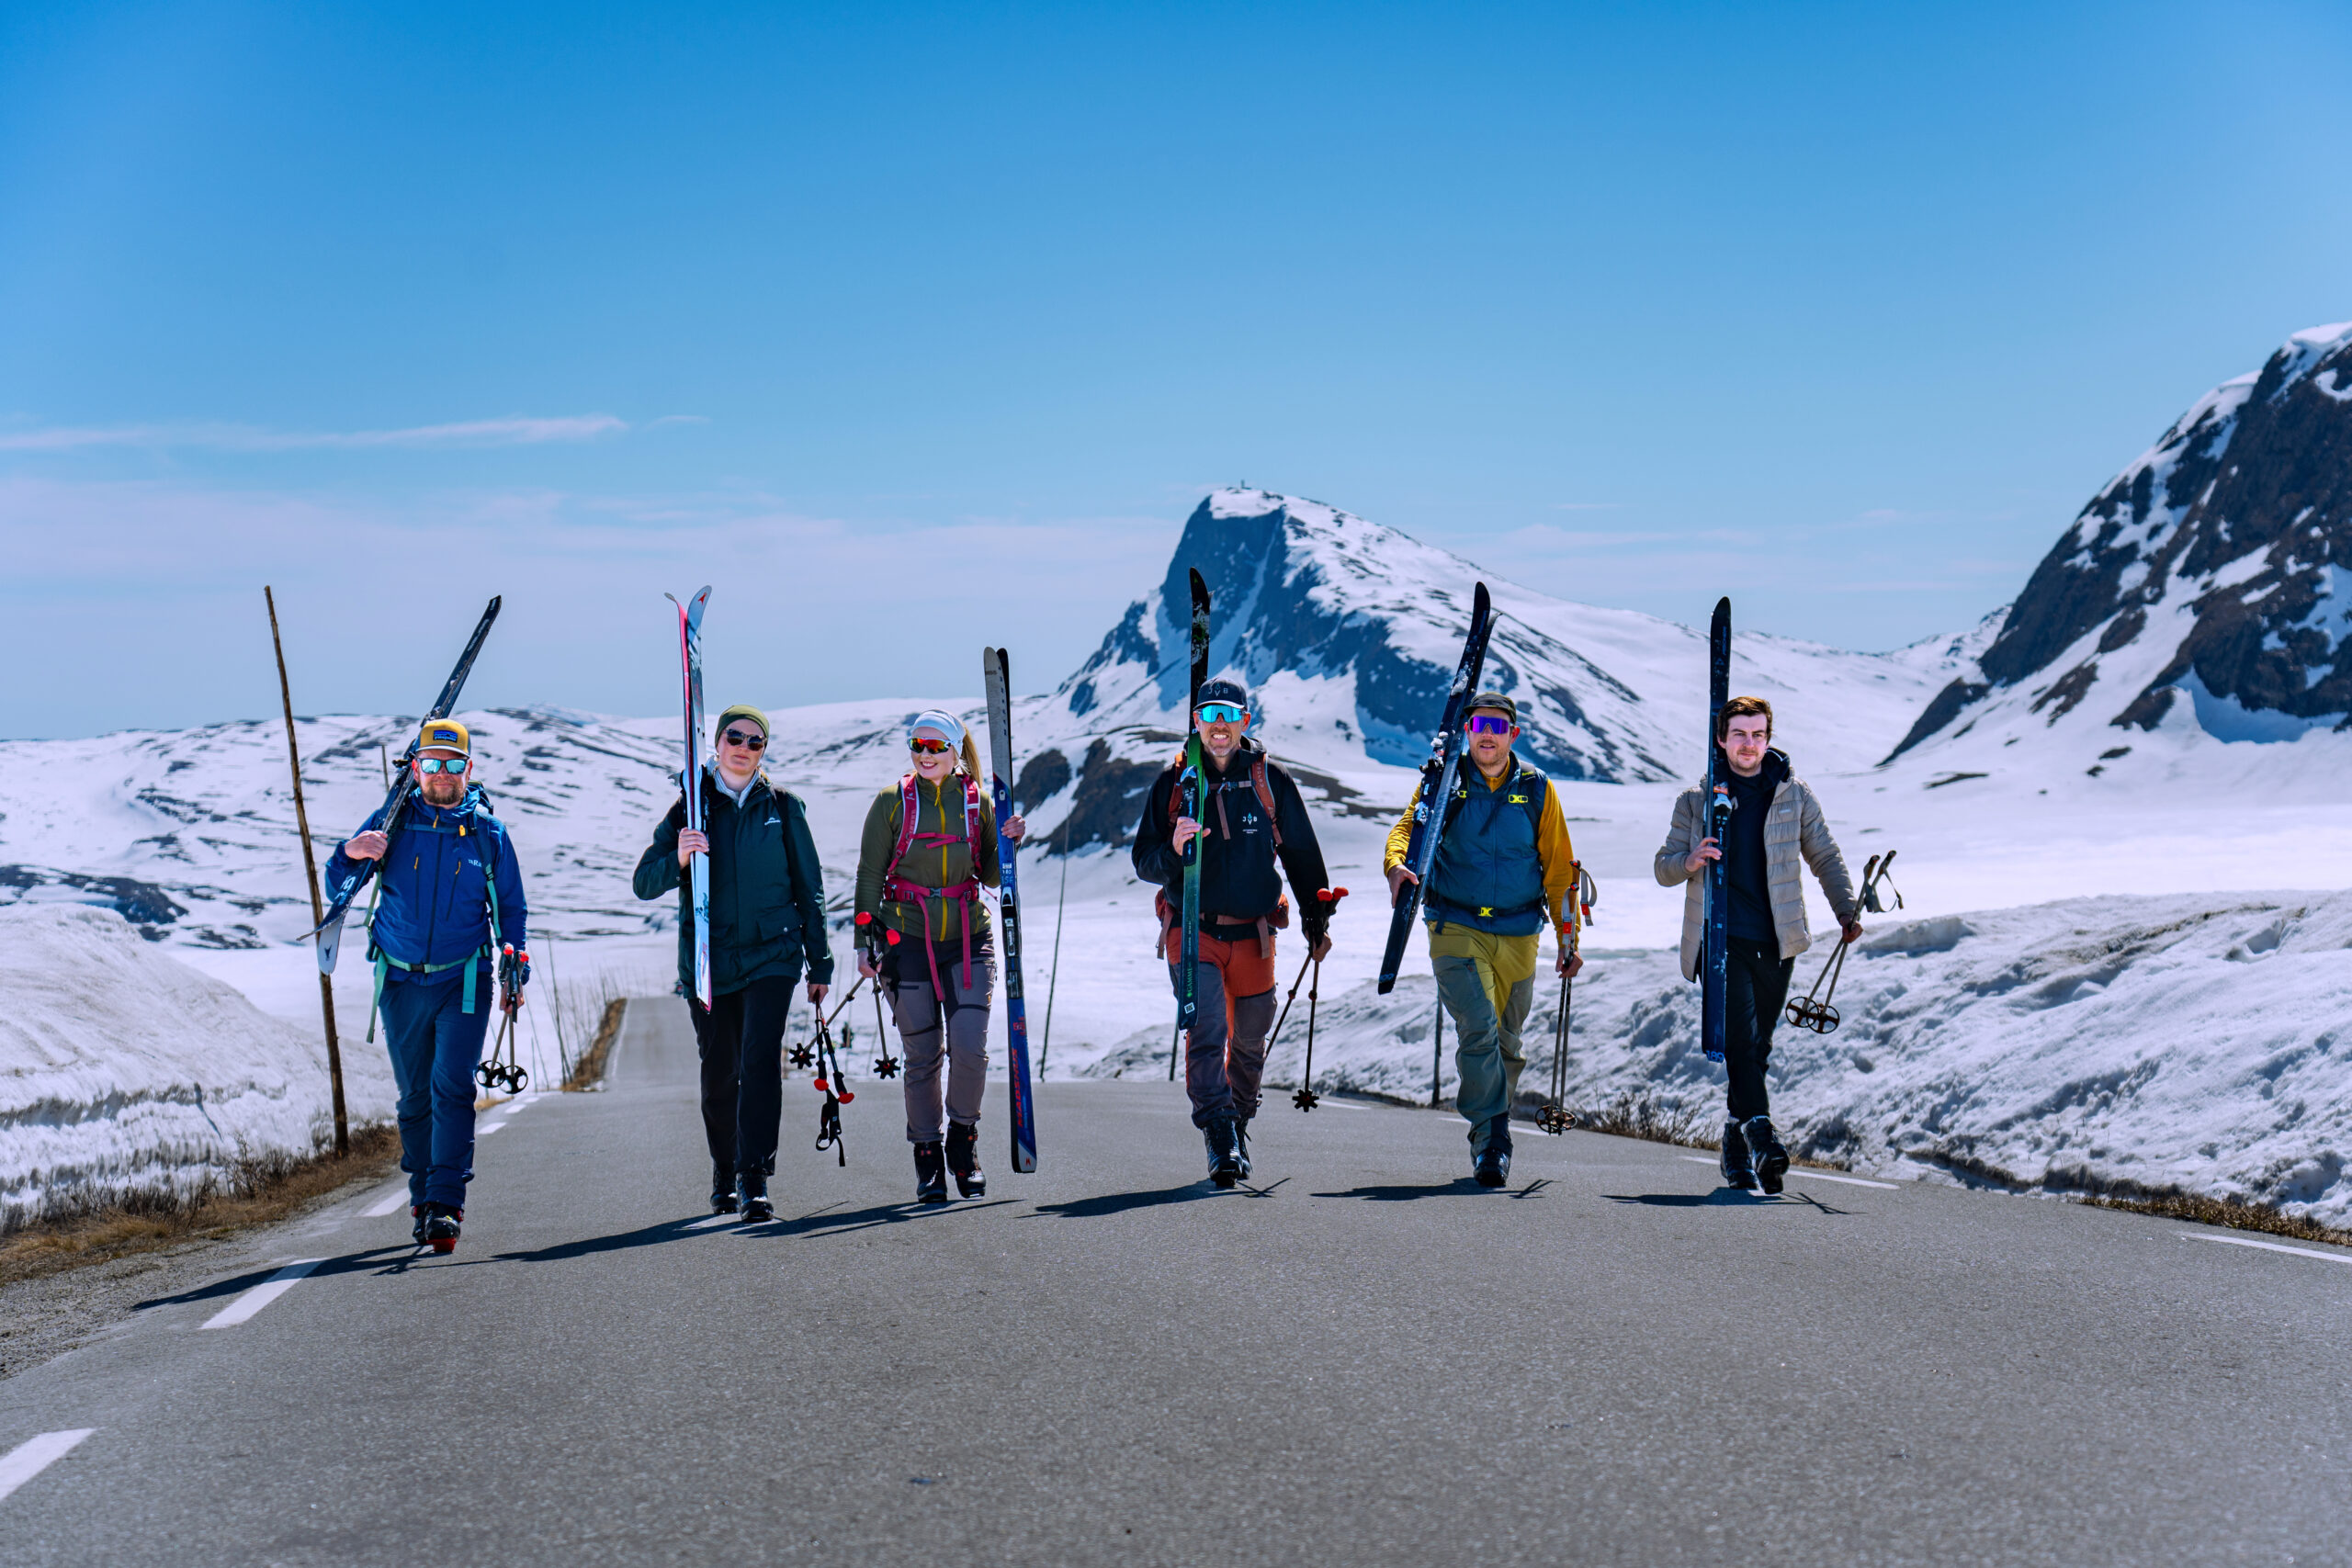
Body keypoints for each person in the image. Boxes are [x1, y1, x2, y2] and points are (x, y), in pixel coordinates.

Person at [326, 718, 528, 1252]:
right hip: (397, 979)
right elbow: (339, 886)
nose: (442, 775)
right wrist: (349, 854)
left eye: (453, 764)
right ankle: (421, 1197)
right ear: (415, 768)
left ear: (469, 768)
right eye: (433, 763)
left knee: (454, 1087)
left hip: (464, 979)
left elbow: (511, 908)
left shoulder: (488, 833)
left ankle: (446, 1204)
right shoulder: (390, 821)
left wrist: (514, 964)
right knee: (415, 1096)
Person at [633, 704, 831, 1223]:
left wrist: (821, 965)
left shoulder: (784, 807)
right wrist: (678, 855)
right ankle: (724, 1169)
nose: (744, 748)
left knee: (760, 1060)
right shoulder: (691, 811)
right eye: (735, 738)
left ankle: (754, 1176)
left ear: (763, 751)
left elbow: (811, 890)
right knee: (721, 1072)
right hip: (709, 961)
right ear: (717, 744)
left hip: (774, 955)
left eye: (755, 742)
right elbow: (643, 882)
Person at [1654, 694, 1860, 1194]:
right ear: (1721, 739)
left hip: (1778, 940)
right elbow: (1663, 867)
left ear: (1769, 738)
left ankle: (1733, 1141)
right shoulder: (1696, 801)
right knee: (1742, 1043)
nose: (1750, 745)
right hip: (1719, 941)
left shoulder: (1793, 795)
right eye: (1740, 735)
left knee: (1758, 1047)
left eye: (1758, 735)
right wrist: (1690, 861)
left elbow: (1824, 855)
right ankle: (1762, 1137)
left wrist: (1845, 906)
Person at [1132, 679, 1333, 1188]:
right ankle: (1219, 1132)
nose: (1219, 724)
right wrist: (1173, 850)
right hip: (1192, 930)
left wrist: (1316, 917)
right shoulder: (1173, 783)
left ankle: (1239, 1120)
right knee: (1205, 1032)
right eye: (1208, 713)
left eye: (1229, 713)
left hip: (1255, 933)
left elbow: (1302, 855)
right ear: (1196, 721)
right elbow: (1144, 861)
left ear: (1246, 721)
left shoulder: (1269, 781)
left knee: (1248, 1039)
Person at [1383, 693, 1582, 1189]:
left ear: (1513, 734)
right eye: (1478, 724)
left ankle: (1491, 1125)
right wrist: (1396, 862)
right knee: (1478, 1027)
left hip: (1519, 932)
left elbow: (1560, 869)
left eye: (1497, 725)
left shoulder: (1537, 789)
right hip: (1455, 926)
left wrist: (1568, 937)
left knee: (1507, 1039)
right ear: (1467, 730)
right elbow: (1410, 824)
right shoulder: (1444, 780)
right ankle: (1492, 1138)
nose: (1487, 733)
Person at [854, 711, 1024, 1203]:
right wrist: (866, 942)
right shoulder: (891, 802)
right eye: (918, 746)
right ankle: (927, 1157)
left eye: (935, 747)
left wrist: (1009, 841)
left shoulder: (978, 803)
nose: (925, 755)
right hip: (905, 940)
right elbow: (869, 874)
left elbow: (992, 876)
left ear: (955, 751)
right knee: (923, 1055)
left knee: (970, 1048)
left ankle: (963, 1143)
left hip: (969, 939)